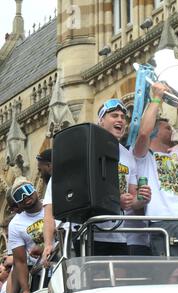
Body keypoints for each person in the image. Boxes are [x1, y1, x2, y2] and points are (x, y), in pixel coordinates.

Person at [42, 99, 151, 261]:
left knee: (117, 284)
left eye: (123, 116)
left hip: (118, 235)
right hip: (83, 234)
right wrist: (48, 244)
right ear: (101, 120)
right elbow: (51, 206)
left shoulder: (128, 157)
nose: (120, 119)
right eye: (114, 115)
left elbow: (132, 201)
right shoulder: (81, 149)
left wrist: (141, 199)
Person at [133, 83, 178, 261]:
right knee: (170, 275)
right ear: (155, 131)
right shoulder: (144, 156)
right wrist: (157, 97)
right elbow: (143, 133)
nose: (173, 129)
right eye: (167, 127)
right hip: (162, 222)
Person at [7, 179, 45, 293]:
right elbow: (19, 261)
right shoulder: (15, 225)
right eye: (19, 195)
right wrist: (25, 289)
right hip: (40, 273)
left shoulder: (51, 206)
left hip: (66, 264)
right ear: (16, 203)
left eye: (27, 190)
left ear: (35, 189)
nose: (25, 196)